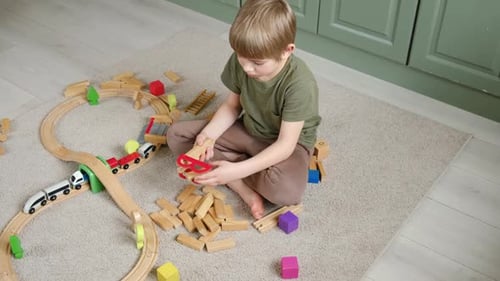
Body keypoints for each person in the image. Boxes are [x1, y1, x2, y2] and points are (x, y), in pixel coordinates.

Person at [167, 0, 321, 219]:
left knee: (286, 190)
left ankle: (231, 169)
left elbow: (285, 146)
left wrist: (238, 169)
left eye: (257, 63)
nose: (247, 68)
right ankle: (239, 184)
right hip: (248, 132)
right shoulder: (242, 62)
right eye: (242, 57)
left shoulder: (300, 84)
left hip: (287, 145)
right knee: (176, 135)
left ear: (287, 51)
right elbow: (232, 106)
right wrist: (208, 136)